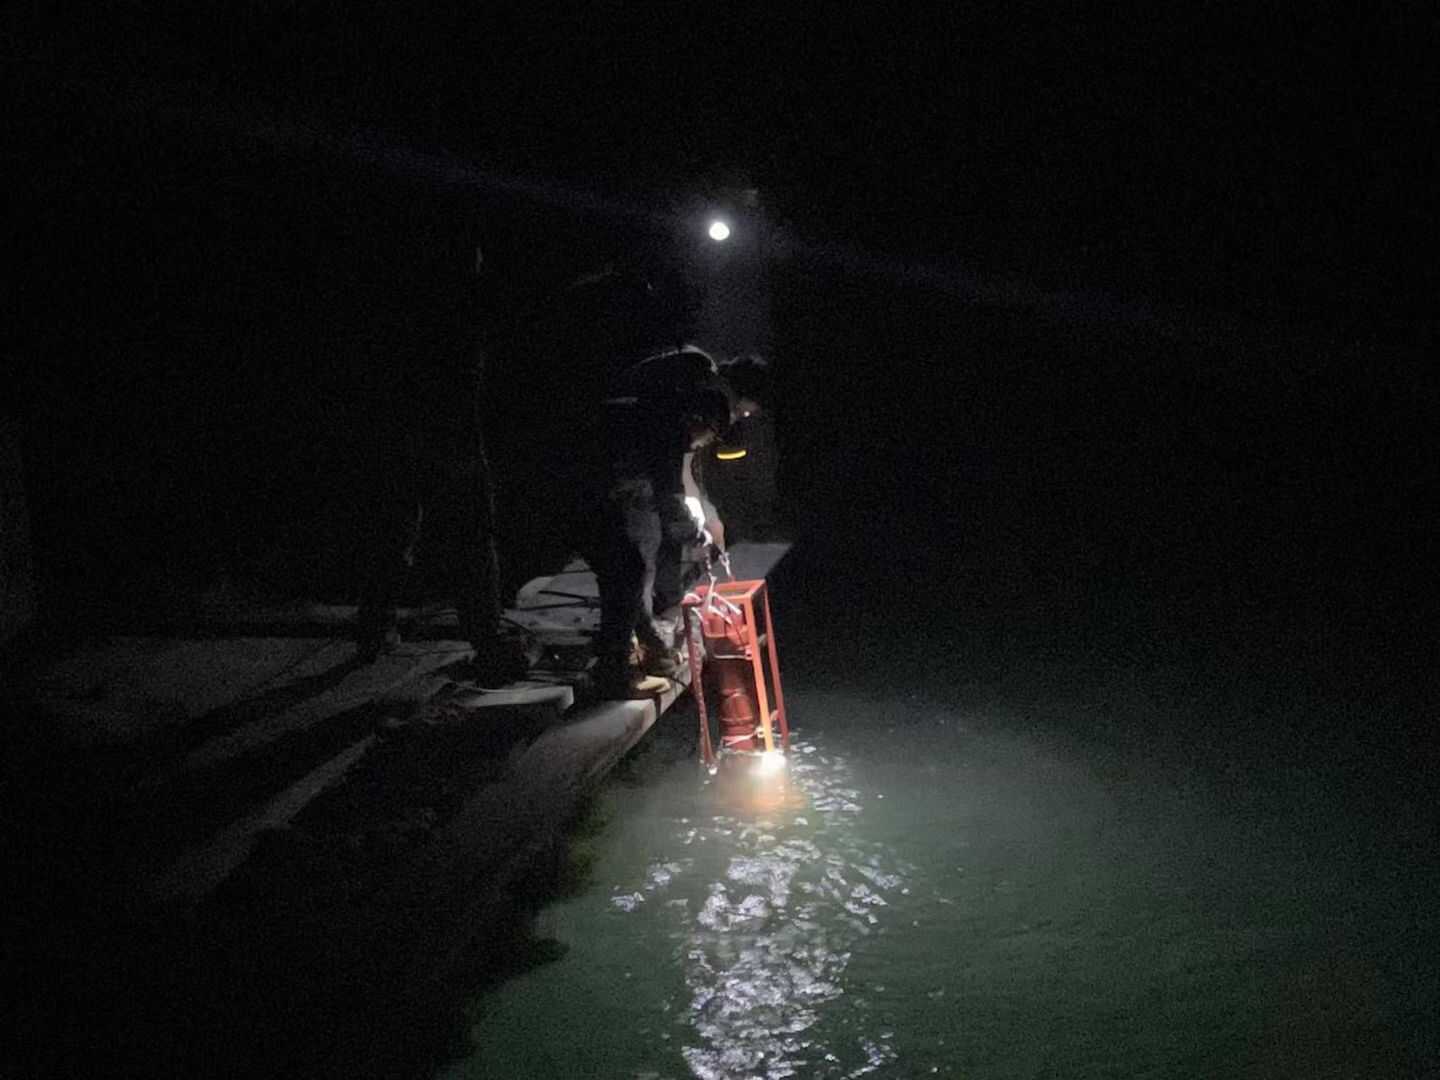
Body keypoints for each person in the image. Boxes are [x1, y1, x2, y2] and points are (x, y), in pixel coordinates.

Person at [571, 344, 746, 699]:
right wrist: (697, 533)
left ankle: (637, 650)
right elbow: (669, 498)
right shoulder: (667, 428)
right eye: (709, 438)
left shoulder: (649, 412)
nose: (701, 446)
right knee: (630, 568)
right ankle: (615, 674)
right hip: (593, 488)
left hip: (584, 484)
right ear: (700, 420)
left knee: (628, 571)